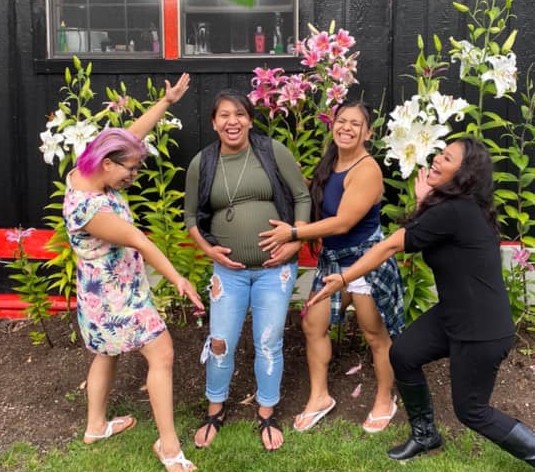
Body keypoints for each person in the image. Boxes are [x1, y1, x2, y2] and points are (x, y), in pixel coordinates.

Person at [308, 137, 535, 466]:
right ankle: (425, 434)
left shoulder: (455, 211)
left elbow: (389, 246)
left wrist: (343, 278)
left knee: (472, 411)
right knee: (404, 353)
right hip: (456, 315)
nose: (436, 160)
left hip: (480, 328)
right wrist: (422, 202)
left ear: (464, 174)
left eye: (446, 158)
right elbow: (424, 232)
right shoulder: (456, 209)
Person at [63, 73, 203, 472]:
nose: (133, 176)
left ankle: (95, 426)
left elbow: (128, 138)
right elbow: (141, 241)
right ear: (108, 164)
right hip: (115, 299)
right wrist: (177, 277)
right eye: (131, 171)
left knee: (106, 353)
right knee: (162, 352)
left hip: (99, 292)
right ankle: (170, 447)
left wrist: (166, 102)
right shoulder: (92, 210)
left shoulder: (88, 166)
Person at [259, 100, 404, 433]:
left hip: (365, 262)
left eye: (356, 123)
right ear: (332, 125)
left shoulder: (367, 169)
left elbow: (342, 223)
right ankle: (320, 396)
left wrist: (293, 233)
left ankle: (385, 398)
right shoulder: (331, 164)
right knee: (313, 325)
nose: (346, 128)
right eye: (341, 121)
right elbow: (317, 204)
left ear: (368, 132)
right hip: (332, 261)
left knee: (374, 333)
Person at [183, 89, 311, 451]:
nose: (232, 121)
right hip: (228, 272)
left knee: (269, 342)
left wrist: (295, 241)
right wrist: (209, 250)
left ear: (250, 120)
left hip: (276, 269)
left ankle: (267, 413)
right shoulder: (203, 163)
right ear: (213, 123)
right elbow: (190, 216)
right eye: (224, 115)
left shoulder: (272, 152)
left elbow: (301, 196)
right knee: (221, 341)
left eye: (239, 114)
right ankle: (215, 409)